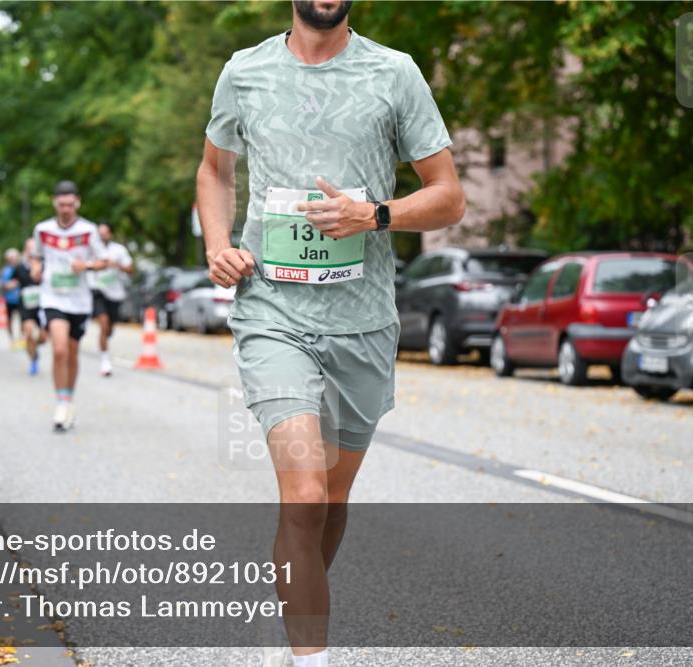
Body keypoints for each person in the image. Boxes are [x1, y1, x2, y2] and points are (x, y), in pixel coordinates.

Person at [196, 2, 465, 665]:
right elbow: (214, 170)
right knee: (307, 491)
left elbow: (449, 195)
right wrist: (218, 244)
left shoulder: (395, 73)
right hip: (273, 314)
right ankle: (311, 653)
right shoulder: (245, 71)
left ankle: (291, 605)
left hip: (364, 322)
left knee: (331, 499)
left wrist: (374, 213)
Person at [30, 180, 108, 431]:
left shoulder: (88, 230)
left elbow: (103, 261)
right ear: (55, 203)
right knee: (60, 348)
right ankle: (61, 403)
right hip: (52, 297)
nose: (65, 209)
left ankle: (69, 398)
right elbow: (37, 255)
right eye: (61, 204)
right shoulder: (42, 229)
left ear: (77, 203)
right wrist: (35, 267)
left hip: (79, 300)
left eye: (70, 204)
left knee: (72, 352)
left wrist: (85, 266)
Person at [91, 223, 134, 376]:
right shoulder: (91, 249)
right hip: (98, 291)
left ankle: (104, 341)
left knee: (109, 329)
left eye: (105, 233)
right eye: (100, 233)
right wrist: (99, 265)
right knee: (103, 324)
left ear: (110, 234)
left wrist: (118, 266)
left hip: (115, 293)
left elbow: (131, 269)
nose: (102, 236)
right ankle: (105, 362)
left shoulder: (119, 250)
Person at [14, 238, 46, 375]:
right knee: (28, 333)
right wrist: (10, 285)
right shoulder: (20, 267)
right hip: (26, 305)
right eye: (29, 249)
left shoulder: (46, 265)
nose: (31, 251)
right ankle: (33, 360)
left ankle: (35, 348)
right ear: (25, 251)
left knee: (43, 338)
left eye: (34, 248)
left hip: (43, 305)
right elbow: (13, 280)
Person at [0, 248, 23, 347]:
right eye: (11, 258)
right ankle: (12, 339)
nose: (13, 260)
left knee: (23, 319)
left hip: (21, 298)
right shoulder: (6, 270)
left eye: (14, 258)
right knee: (10, 320)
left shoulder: (22, 268)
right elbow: (4, 285)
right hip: (10, 299)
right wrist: (12, 284)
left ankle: (21, 339)